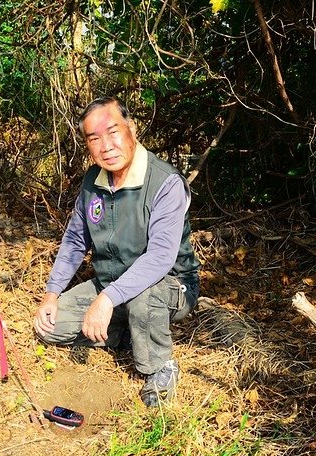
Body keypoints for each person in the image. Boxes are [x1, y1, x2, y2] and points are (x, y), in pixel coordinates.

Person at [33, 96, 200, 407]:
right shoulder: (92, 182)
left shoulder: (165, 182)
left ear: (131, 129)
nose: (105, 146)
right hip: (110, 283)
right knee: (49, 328)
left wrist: (106, 299)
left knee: (144, 297)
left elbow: (161, 258)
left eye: (113, 132)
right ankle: (129, 335)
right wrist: (52, 293)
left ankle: (159, 368)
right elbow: (74, 240)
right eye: (94, 138)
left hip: (170, 285)